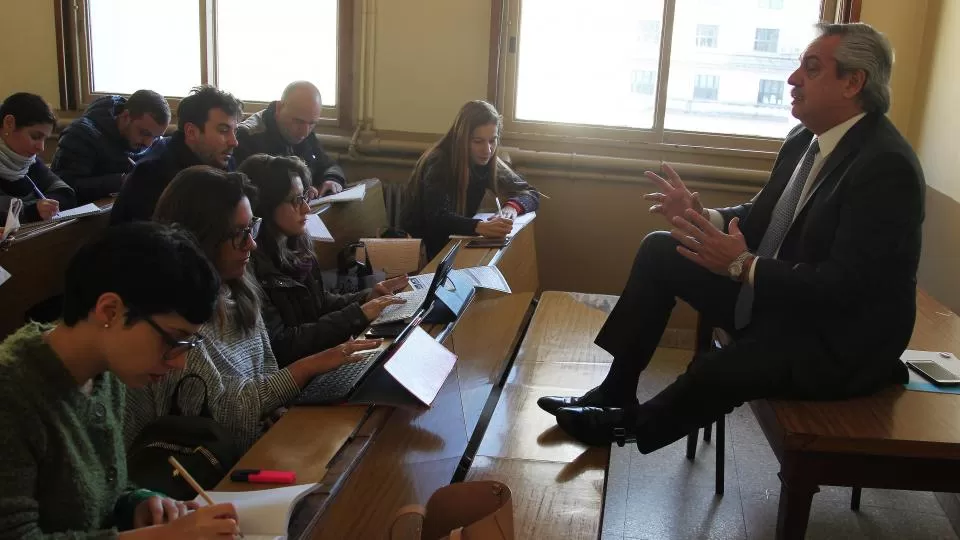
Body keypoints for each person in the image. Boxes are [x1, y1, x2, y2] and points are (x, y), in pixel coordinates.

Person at [539, 23, 926, 454]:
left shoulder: (886, 167)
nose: (792, 79)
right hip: (782, 302)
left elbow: (846, 287)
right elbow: (763, 218)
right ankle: (616, 390)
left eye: (811, 69)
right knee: (659, 249)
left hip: (837, 340)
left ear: (854, 82)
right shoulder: (804, 139)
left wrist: (744, 266)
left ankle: (626, 427)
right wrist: (702, 216)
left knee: (721, 368)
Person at [0, 221, 241, 538]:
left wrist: (138, 504)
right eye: (172, 340)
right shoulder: (12, 392)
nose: (180, 363)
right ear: (110, 311)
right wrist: (164, 536)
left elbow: (101, 497)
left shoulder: (105, 371)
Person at [124, 166, 380, 454]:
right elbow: (217, 419)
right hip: (202, 466)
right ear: (201, 238)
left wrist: (274, 412)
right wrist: (306, 368)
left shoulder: (239, 286)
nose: (252, 243)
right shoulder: (176, 317)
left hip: (254, 445)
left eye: (252, 228)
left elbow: (265, 369)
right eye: (240, 233)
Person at [239, 153, 408, 367]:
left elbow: (318, 302)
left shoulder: (296, 245)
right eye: (295, 200)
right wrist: (358, 314)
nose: (307, 208)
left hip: (320, 357)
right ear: (265, 205)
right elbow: (283, 344)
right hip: (298, 373)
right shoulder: (250, 263)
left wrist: (367, 297)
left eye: (305, 197)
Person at [400, 100, 539, 260]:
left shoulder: (487, 161)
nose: (487, 150)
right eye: (478, 141)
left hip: (452, 245)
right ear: (462, 139)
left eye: (492, 140)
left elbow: (530, 193)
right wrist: (480, 227)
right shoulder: (439, 161)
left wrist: (511, 208)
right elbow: (437, 217)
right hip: (422, 251)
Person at [110, 86, 242, 224]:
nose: (234, 142)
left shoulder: (225, 161)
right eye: (223, 130)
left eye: (235, 131)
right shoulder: (153, 175)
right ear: (191, 132)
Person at [52, 90, 170, 203]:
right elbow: (64, 187)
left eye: (155, 137)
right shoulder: (81, 135)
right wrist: (121, 181)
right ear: (125, 117)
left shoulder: (154, 143)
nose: (148, 143)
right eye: (144, 133)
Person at [235, 81, 345, 200]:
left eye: (312, 123)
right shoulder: (248, 136)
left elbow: (328, 165)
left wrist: (332, 179)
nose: (305, 133)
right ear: (279, 108)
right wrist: (302, 192)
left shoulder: (305, 128)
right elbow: (248, 195)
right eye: (298, 121)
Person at [0, 92, 75, 224]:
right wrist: (32, 210)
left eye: (45, 139)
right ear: (9, 123)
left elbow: (65, 193)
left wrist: (47, 206)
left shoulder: (30, 162)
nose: (41, 148)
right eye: (35, 136)